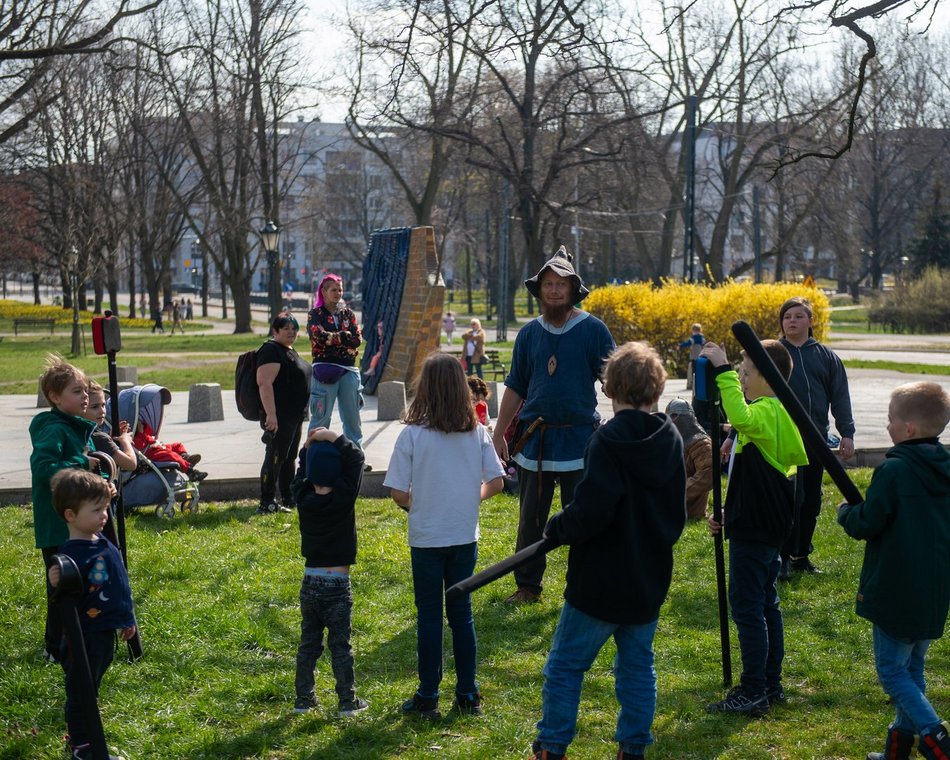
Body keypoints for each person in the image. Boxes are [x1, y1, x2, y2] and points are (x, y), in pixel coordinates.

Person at [529, 342, 687, 760]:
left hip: (599, 581)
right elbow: (675, 508)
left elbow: (592, 511)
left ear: (610, 387)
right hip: (647, 577)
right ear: (656, 387)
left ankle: (552, 745)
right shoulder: (670, 435)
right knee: (637, 667)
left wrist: (557, 526)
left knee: (565, 666)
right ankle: (633, 747)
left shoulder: (607, 440)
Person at [384, 353, 505, 719]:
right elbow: (497, 482)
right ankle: (468, 694)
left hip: (425, 537)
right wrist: (472, 498)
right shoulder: (477, 433)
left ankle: (428, 695)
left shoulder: (412, 435)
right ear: (460, 388)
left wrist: (416, 505)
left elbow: (397, 493)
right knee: (462, 615)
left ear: (425, 389)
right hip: (464, 535)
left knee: (429, 617)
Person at [492, 246, 615, 604]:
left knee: (585, 517)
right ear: (540, 289)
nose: (555, 290)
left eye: (562, 283)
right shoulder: (529, 334)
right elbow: (516, 385)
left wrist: (619, 388)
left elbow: (613, 377)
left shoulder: (593, 329)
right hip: (537, 441)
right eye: (549, 283)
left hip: (580, 440)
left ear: (573, 288)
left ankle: (585, 584)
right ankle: (528, 585)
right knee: (530, 521)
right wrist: (499, 432)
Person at [837, 381, 950, 760]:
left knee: (891, 671)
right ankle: (898, 749)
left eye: (889, 421)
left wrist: (845, 513)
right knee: (913, 669)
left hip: (897, 588)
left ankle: (936, 737)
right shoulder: (946, 468)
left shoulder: (895, 470)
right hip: (935, 589)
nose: (886, 427)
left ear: (908, 429)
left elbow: (868, 522)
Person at [701, 338, 808, 717]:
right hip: (762, 523)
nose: (742, 378)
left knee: (747, 608)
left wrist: (722, 369)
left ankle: (752, 690)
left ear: (769, 376)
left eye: (746, 372)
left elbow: (742, 417)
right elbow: (754, 479)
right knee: (766, 604)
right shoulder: (774, 413)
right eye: (740, 373)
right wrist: (730, 512)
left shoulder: (766, 410)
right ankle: (770, 683)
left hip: (757, 530)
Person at [47, 468, 136, 760]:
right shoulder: (70, 554)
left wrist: (127, 619)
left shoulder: (101, 542)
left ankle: (81, 737)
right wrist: (57, 579)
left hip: (104, 632)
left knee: (91, 688)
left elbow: (119, 583)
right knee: (80, 691)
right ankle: (83, 747)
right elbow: (61, 589)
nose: (104, 516)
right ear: (71, 515)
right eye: (96, 510)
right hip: (82, 636)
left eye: (105, 509)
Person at [289, 426, 369, 717]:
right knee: (340, 645)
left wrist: (308, 444)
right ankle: (347, 702)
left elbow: (300, 470)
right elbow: (357, 458)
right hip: (337, 584)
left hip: (309, 583)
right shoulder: (344, 496)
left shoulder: (302, 496)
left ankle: (303, 699)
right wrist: (332, 435)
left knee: (308, 643)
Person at [778, 296, 855, 576]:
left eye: (798, 316)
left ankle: (801, 556)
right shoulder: (774, 354)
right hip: (782, 440)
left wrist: (847, 433)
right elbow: (753, 394)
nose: (792, 321)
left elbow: (840, 397)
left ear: (810, 321)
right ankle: (782, 558)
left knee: (810, 500)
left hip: (816, 442)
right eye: (787, 317)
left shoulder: (826, 356)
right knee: (789, 498)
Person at [30, 356, 97, 662]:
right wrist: (82, 463)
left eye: (84, 390)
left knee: (80, 580)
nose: (84, 396)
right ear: (55, 398)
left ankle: (78, 635)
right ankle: (54, 646)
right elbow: (44, 468)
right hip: (58, 524)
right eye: (76, 391)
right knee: (60, 584)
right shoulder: (54, 430)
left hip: (77, 521)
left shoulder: (75, 427)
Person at [256, 312, 311, 514]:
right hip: (279, 417)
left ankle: (288, 496)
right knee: (275, 457)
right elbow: (264, 383)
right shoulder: (271, 350)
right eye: (286, 328)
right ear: (275, 331)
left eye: (294, 328)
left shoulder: (288, 350)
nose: (291, 332)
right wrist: (271, 415)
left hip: (294, 416)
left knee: (289, 457)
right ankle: (267, 500)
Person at [306, 274, 364, 449]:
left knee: (352, 418)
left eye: (340, 289)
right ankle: (314, 456)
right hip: (325, 371)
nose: (338, 293)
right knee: (321, 417)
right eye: (333, 289)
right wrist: (344, 337)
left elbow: (358, 339)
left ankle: (355, 456)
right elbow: (319, 336)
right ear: (323, 292)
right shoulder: (315, 314)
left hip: (349, 370)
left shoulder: (348, 314)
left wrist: (335, 339)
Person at [665, 397, 713, 520]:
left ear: (688, 418)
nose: (671, 420)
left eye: (675, 415)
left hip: (690, 509)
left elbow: (708, 475)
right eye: (669, 416)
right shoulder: (672, 439)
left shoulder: (701, 444)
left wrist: (676, 494)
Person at [82, 381, 137, 472]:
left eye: (103, 405)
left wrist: (111, 438)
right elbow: (131, 464)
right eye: (95, 407)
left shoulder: (79, 432)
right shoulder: (100, 438)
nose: (102, 411)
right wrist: (125, 440)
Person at [132, 421, 207, 482]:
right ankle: (191, 472)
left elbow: (150, 431)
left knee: (177, 445)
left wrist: (143, 424)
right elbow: (140, 446)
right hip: (152, 453)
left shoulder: (143, 433)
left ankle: (185, 457)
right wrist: (140, 432)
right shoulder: (133, 439)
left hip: (160, 447)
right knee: (173, 455)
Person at [679, 323, 706, 390]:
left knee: (694, 372)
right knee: (701, 371)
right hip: (702, 357)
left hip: (695, 357)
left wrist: (680, 346)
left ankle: (693, 384)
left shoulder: (694, 338)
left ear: (693, 330)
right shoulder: (702, 338)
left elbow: (688, 343)